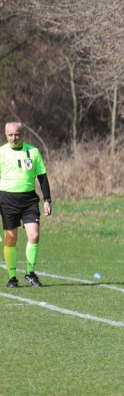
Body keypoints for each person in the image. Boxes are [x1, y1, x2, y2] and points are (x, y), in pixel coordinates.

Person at [0, 122, 52, 287]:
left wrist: (47, 200)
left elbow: (42, 177)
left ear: (22, 134)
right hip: (7, 200)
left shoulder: (33, 152)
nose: (14, 138)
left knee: (34, 235)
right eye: (10, 135)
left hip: (29, 200)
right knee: (11, 239)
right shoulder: (1, 153)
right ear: (6, 135)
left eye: (17, 134)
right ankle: (12, 277)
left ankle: (30, 273)